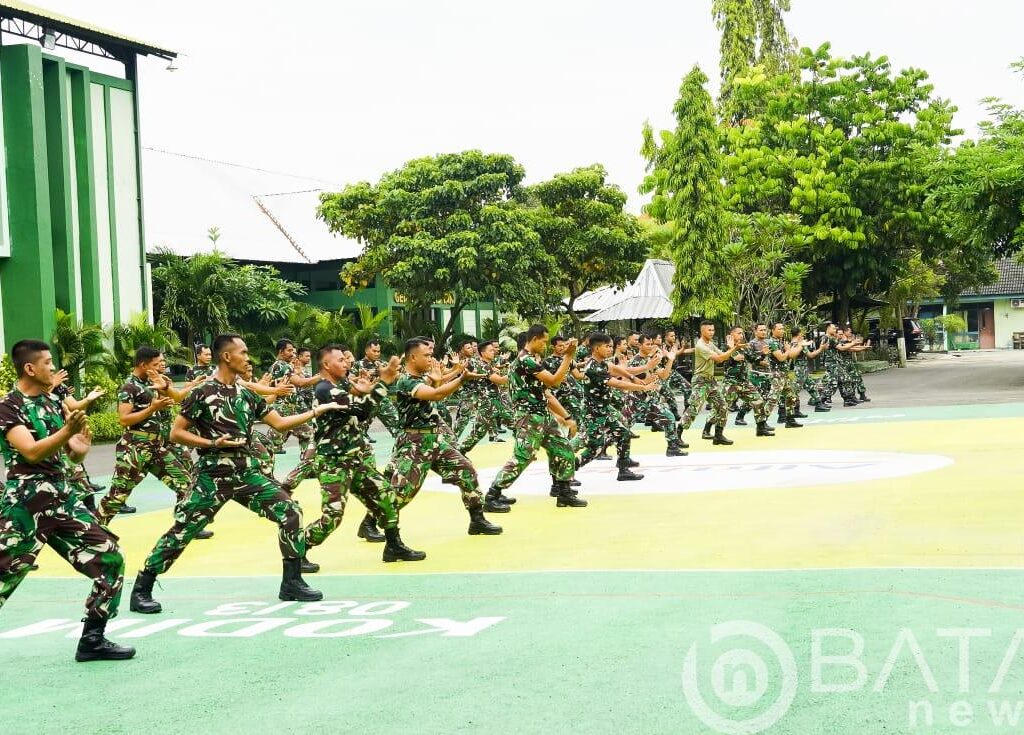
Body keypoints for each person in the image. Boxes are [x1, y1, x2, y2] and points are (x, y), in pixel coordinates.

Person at [129, 334, 348, 615]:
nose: (248, 358)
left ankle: (292, 582)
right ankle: (142, 588)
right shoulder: (202, 392)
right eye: (243, 353)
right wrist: (210, 444)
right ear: (227, 357)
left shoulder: (245, 393)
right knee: (183, 531)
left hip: (246, 473)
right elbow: (176, 433)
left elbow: (279, 423)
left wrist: (318, 410)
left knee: (290, 511)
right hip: (212, 475)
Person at [0, 340, 134, 662]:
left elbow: (71, 455)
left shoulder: (51, 402)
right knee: (4, 575)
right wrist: (66, 433)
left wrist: (80, 447)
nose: (53, 368)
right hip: (26, 505)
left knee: (111, 560)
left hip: (62, 499)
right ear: (30, 368)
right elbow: (31, 451)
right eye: (47, 363)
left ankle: (92, 640)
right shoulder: (9, 406)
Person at [304, 344, 424, 567]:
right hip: (334, 463)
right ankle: (298, 549)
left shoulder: (338, 388)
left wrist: (366, 390)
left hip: (354, 459)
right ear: (326, 364)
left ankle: (393, 545)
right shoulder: (324, 390)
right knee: (333, 516)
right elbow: (362, 411)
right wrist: (383, 383)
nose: (346, 363)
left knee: (387, 497)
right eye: (340, 360)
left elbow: (357, 410)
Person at [384, 338, 503, 535]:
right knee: (401, 493)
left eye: (431, 355)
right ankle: (379, 528)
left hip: (434, 440)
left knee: (466, 470)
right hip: (415, 443)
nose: (431, 359)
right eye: (427, 355)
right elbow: (436, 394)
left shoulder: (421, 378)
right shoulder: (406, 380)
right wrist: (462, 379)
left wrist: (445, 376)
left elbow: (435, 387)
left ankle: (477, 519)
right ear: (412, 357)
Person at [97, 347, 211, 537]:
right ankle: (93, 530)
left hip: (157, 447)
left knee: (185, 482)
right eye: (157, 364)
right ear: (143, 365)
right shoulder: (129, 387)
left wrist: (168, 388)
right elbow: (124, 420)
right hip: (135, 448)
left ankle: (185, 527)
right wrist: (152, 408)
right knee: (118, 495)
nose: (161, 367)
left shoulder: (155, 381)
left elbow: (176, 397)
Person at [486, 325, 585, 508]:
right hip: (529, 417)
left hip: (541, 415)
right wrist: (569, 356)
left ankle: (564, 492)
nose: (545, 345)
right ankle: (493, 494)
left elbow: (545, 393)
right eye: (544, 341)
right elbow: (554, 382)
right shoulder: (526, 361)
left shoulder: (531, 361)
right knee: (523, 456)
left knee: (563, 448)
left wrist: (566, 416)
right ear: (534, 339)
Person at [575, 333, 656, 479]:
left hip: (604, 409)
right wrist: (643, 387)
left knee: (623, 432)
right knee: (594, 448)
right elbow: (617, 383)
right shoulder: (593, 368)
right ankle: (567, 470)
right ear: (597, 348)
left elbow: (617, 369)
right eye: (607, 346)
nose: (610, 349)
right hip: (593, 413)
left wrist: (636, 375)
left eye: (611, 346)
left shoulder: (601, 363)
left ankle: (623, 469)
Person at [678, 320, 744, 446]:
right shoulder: (700, 346)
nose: (712, 332)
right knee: (694, 409)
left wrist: (732, 351)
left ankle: (718, 435)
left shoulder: (710, 344)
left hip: (711, 381)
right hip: (700, 381)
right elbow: (719, 359)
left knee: (723, 406)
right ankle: (677, 436)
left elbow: (722, 354)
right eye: (709, 330)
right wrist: (734, 348)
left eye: (713, 330)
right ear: (702, 331)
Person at [721, 326, 774, 437]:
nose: (741, 335)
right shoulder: (725, 346)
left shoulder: (744, 347)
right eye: (739, 333)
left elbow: (754, 359)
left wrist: (763, 354)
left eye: (742, 333)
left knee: (758, 401)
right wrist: (732, 349)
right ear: (731, 335)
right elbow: (732, 358)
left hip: (744, 381)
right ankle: (710, 430)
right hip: (731, 382)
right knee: (722, 407)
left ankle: (760, 428)